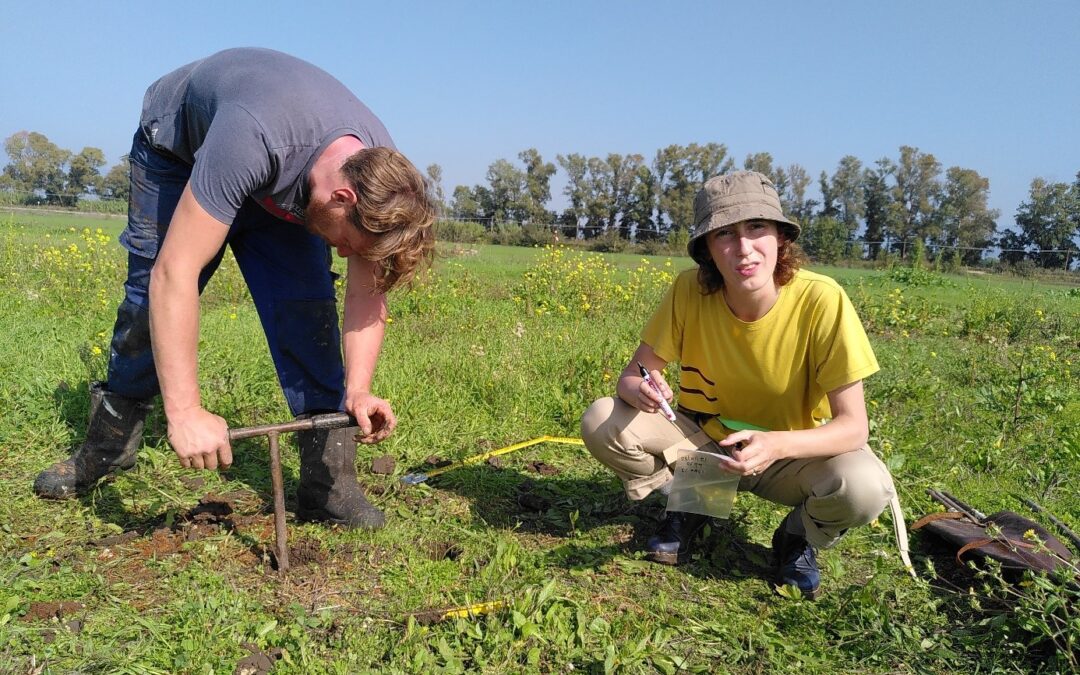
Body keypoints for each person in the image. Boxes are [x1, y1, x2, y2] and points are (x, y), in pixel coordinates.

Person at [34, 48, 436, 530]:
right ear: (341, 198)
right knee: (148, 300)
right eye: (348, 242)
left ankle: (328, 483)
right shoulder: (253, 137)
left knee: (307, 309)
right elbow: (173, 274)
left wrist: (359, 391)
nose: (345, 254)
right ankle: (108, 446)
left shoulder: (378, 175)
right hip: (179, 152)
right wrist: (184, 413)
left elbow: (366, 291)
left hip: (280, 169)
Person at [580, 171, 895, 598]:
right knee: (602, 419)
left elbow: (854, 427)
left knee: (864, 486)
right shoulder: (688, 291)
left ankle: (798, 537)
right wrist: (638, 387)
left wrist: (777, 445)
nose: (743, 249)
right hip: (706, 444)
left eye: (756, 228)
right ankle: (691, 505)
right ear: (707, 250)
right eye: (724, 234)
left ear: (781, 237)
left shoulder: (822, 299)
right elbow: (634, 374)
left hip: (788, 455)